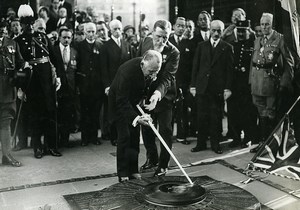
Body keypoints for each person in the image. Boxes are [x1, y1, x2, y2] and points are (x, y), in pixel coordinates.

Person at [15, 5, 62, 159]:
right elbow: (18, 67)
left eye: (31, 23)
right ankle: (37, 147)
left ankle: (51, 146)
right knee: (35, 115)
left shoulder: (42, 37)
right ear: (21, 24)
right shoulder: (18, 41)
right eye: (25, 24)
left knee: (50, 113)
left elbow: (54, 58)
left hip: (47, 80)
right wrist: (20, 88)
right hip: (31, 82)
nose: (29, 26)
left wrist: (58, 77)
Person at [108, 50, 162, 182]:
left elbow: (146, 86)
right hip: (119, 104)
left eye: (156, 71)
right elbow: (121, 100)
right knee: (124, 137)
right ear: (143, 64)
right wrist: (137, 118)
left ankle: (133, 170)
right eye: (151, 72)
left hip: (134, 103)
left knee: (134, 136)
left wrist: (144, 101)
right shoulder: (126, 72)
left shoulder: (150, 69)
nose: (154, 75)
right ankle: (123, 173)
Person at [137, 20, 180, 176]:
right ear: (152, 33)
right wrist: (141, 94)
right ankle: (152, 158)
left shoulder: (174, 52)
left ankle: (163, 164)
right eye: (158, 37)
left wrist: (157, 95)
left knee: (165, 130)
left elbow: (167, 78)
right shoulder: (145, 42)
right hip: (146, 94)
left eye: (165, 37)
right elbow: (138, 67)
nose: (161, 41)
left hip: (164, 95)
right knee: (146, 128)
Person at [249, 13, 294, 153]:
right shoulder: (258, 40)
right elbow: (253, 62)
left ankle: (274, 146)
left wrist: (284, 83)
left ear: (272, 25)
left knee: (271, 114)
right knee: (261, 113)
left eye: (267, 24)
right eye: (262, 24)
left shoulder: (280, 39)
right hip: (257, 83)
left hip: (271, 83)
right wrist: (251, 81)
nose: (264, 27)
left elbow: (289, 62)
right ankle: (263, 144)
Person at [190, 20, 234, 154]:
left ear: (222, 31)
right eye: (213, 30)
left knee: (215, 118)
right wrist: (193, 85)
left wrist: (227, 88)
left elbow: (229, 70)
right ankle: (201, 144)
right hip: (202, 87)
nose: (216, 33)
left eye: (219, 31)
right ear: (209, 30)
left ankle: (216, 145)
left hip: (217, 89)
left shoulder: (227, 47)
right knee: (201, 117)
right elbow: (195, 67)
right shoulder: (201, 46)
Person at [227, 20, 259, 148]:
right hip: (234, 84)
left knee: (247, 113)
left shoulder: (254, 45)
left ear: (248, 31)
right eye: (238, 31)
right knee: (233, 112)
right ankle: (235, 138)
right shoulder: (232, 45)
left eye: (243, 31)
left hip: (247, 85)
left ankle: (247, 138)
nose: (240, 33)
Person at [101, 19, 133, 146]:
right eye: (115, 29)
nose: (118, 31)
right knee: (113, 110)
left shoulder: (127, 45)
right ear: (110, 31)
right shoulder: (106, 46)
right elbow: (103, 68)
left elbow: (131, 63)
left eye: (119, 28)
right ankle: (114, 136)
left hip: (125, 83)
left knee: (124, 108)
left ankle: (124, 135)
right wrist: (107, 85)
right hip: (113, 83)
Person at [0, 20, 24, 167]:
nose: (1, 30)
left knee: (6, 122)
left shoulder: (12, 43)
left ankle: (6, 155)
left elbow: (20, 62)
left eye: (2, 28)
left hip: (8, 90)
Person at [169, 17, 196, 145]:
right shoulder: (168, 42)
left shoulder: (189, 43)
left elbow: (192, 66)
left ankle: (181, 135)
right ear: (173, 26)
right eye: (178, 25)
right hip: (169, 82)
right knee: (169, 110)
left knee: (183, 110)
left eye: (183, 26)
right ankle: (167, 136)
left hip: (184, 83)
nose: (181, 28)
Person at [76, 22, 104, 146]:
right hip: (84, 84)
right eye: (89, 32)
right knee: (85, 112)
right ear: (84, 33)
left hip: (97, 85)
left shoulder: (101, 45)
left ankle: (94, 137)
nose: (91, 34)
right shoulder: (79, 45)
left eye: (93, 31)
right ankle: (84, 138)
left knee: (95, 112)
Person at [52, 28, 78, 147]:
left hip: (70, 88)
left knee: (67, 115)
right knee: (57, 116)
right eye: (64, 37)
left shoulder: (74, 51)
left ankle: (65, 140)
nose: (66, 40)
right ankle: (55, 140)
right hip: (57, 88)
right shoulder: (54, 50)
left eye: (69, 37)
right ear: (59, 38)